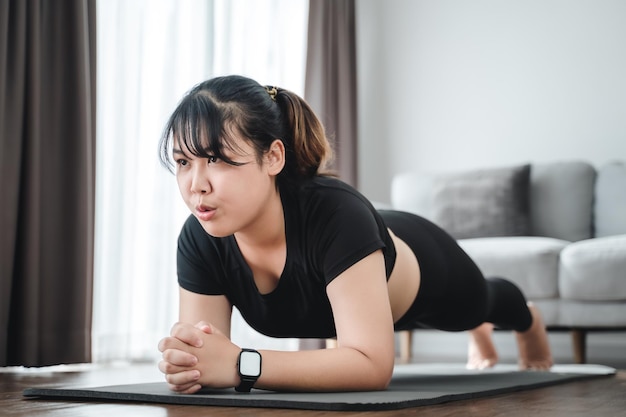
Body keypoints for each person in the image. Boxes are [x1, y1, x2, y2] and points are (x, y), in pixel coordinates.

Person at [156, 75, 553, 394]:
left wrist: (243, 363)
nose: (196, 185)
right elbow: (202, 362)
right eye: (183, 162)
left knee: (480, 303)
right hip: (348, 250)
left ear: (273, 157)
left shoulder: (336, 214)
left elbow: (371, 366)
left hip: (422, 261)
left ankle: (527, 321)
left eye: (215, 159)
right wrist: (188, 366)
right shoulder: (199, 236)